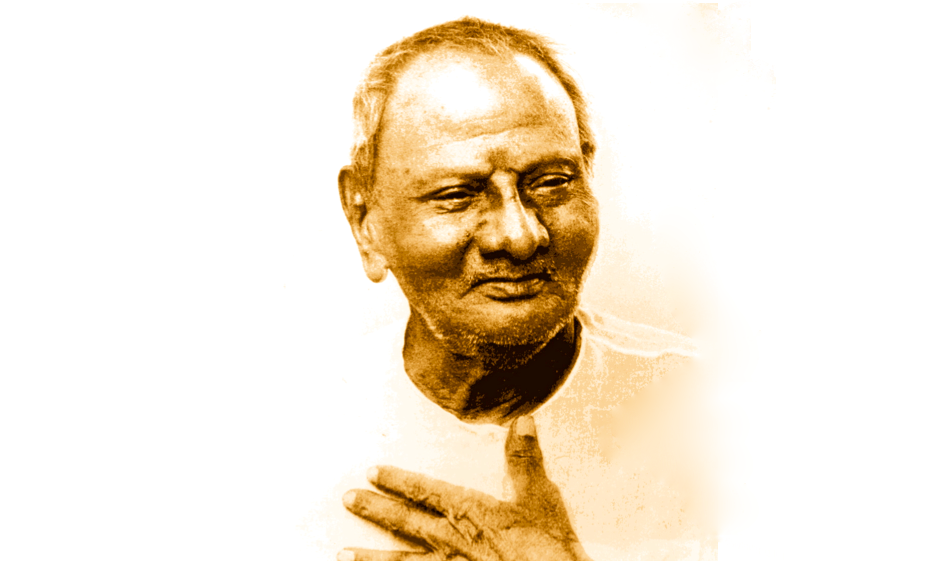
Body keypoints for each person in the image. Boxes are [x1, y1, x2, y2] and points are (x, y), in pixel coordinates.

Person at [321, 17, 716, 561]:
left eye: (552, 183)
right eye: (458, 194)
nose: (521, 235)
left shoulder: (721, 413)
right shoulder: (278, 429)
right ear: (364, 219)